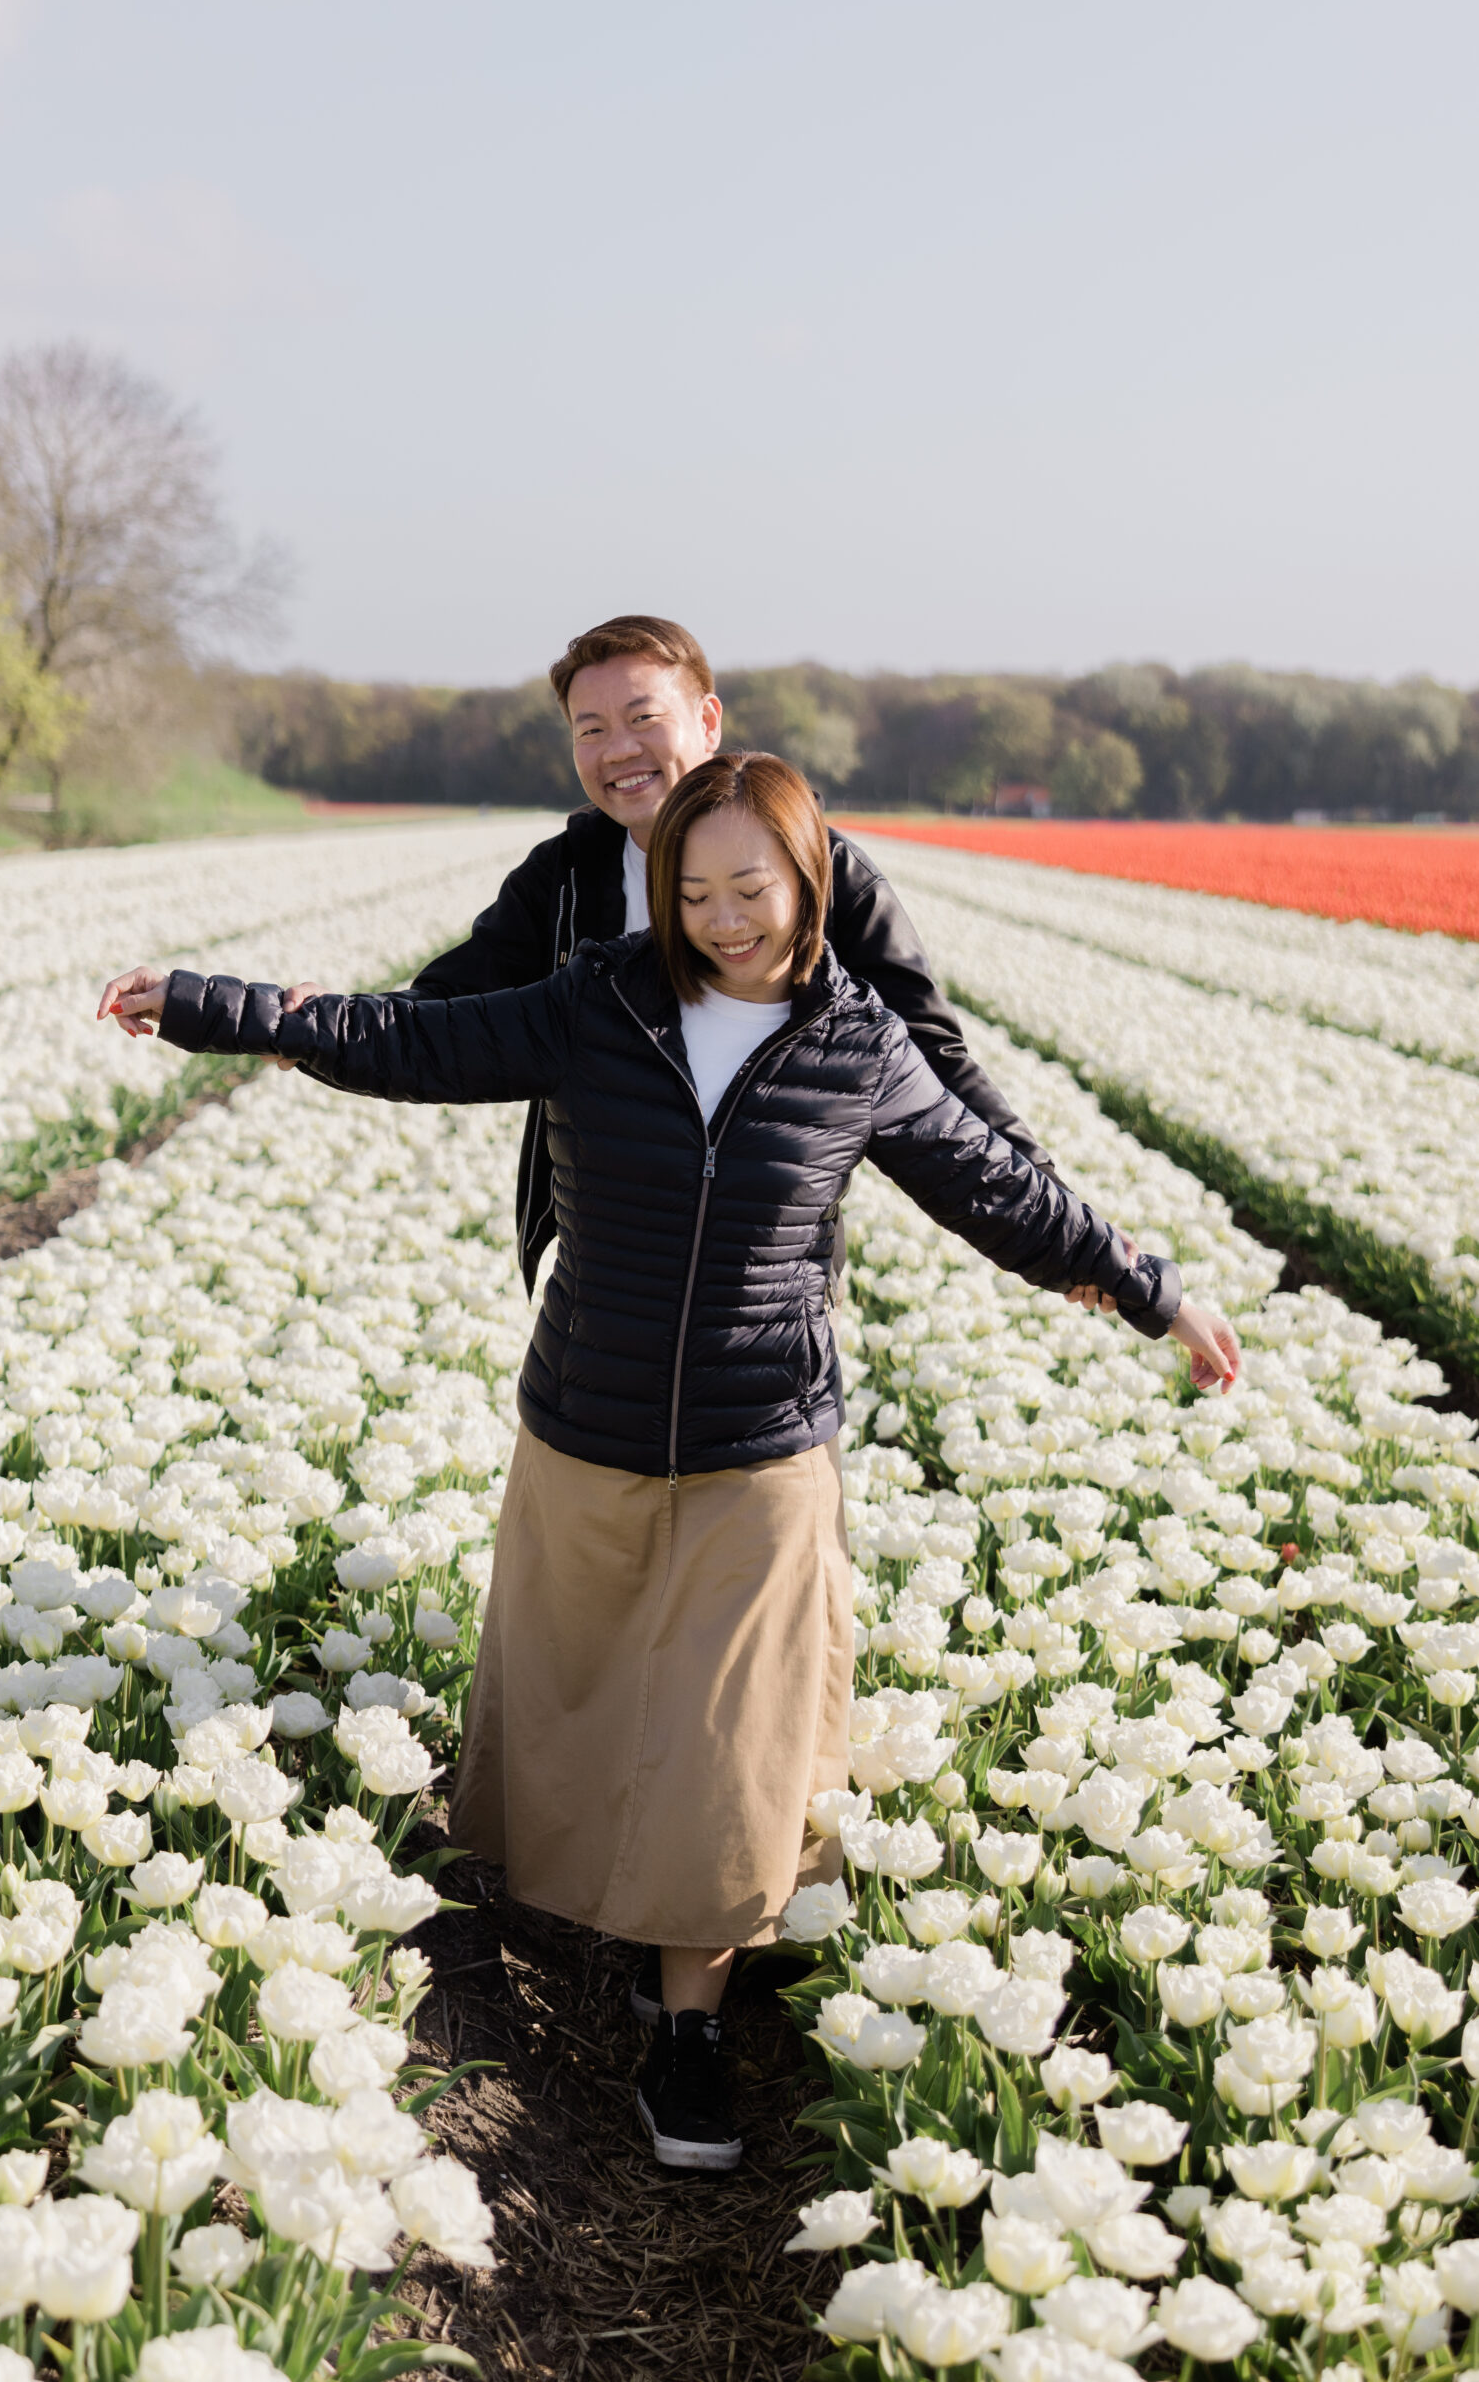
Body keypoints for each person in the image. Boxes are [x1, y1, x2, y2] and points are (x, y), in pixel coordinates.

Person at [97, 753, 1239, 2177]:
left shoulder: (855, 1044)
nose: (721, 916)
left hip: (764, 1446)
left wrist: (1145, 1287)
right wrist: (212, 1006)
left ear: (806, 881)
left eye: (748, 886)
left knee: (729, 1746)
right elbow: (410, 1040)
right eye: (689, 889)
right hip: (590, 1423)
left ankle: (688, 2026)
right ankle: (627, 1946)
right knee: (583, 1707)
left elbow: (993, 1187)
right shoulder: (597, 1007)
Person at [341, 615, 1066, 1301]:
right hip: (604, 1283)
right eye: (589, 730)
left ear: (708, 720)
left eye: (642, 718)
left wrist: (1057, 1219)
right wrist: (321, 1025)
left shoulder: (824, 871)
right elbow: (441, 1006)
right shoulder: (563, 877)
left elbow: (930, 1060)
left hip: (767, 1289)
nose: (617, 749)